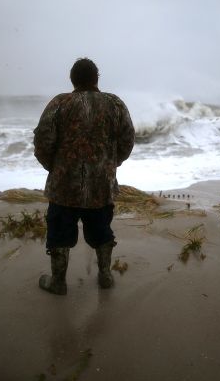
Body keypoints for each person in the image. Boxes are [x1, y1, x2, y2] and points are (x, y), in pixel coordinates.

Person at [33, 58, 135, 295]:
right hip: (101, 186)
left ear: (72, 80)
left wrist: (55, 167)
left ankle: (58, 282)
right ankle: (105, 276)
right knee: (101, 231)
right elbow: (128, 140)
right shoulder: (115, 104)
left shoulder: (60, 103)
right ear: (96, 78)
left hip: (64, 187)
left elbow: (42, 141)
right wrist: (110, 164)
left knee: (59, 233)